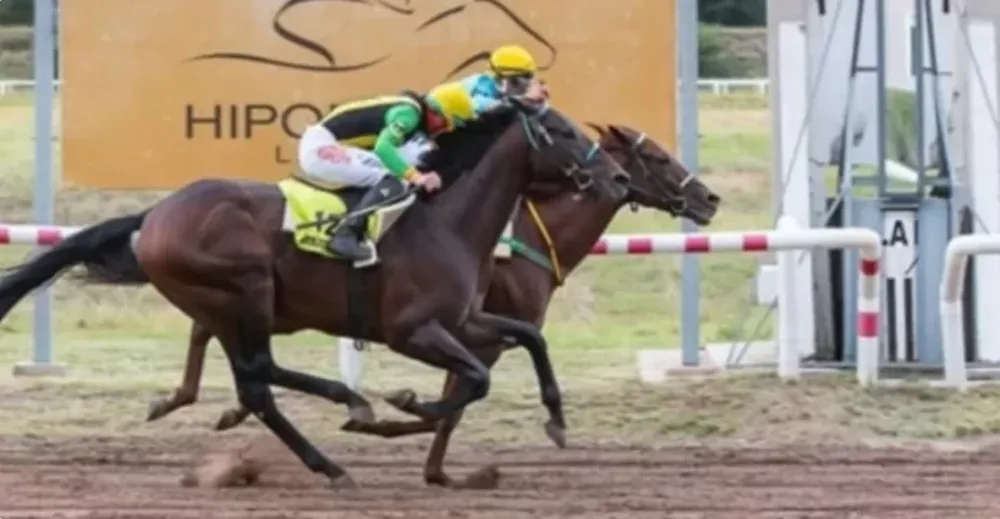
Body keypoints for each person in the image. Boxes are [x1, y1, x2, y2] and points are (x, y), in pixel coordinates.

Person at [297, 82, 476, 262]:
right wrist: (416, 177)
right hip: (321, 147)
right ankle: (345, 234)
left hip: (326, 142)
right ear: (435, 111)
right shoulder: (409, 115)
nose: (443, 130)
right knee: (395, 180)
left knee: (396, 176)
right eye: (446, 123)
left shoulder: (410, 110)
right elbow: (383, 147)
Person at [457, 44, 549, 118]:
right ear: (506, 79)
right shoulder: (481, 87)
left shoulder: (499, 87)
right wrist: (523, 102)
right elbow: (479, 106)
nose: (530, 82)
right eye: (527, 76)